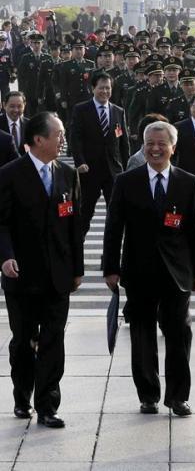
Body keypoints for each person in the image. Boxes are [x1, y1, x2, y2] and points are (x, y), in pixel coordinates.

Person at [103, 121, 195, 416]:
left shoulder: (188, 182)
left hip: (177, 271)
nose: (156, 149)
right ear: (143, 146)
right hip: (138, 269)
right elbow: (114, 227)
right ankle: (148, 394)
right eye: (150, 144)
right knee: (142, 334)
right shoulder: (126, 181)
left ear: (173, 147)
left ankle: (178, 396)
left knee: (179, 332)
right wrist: (110, 268)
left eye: (162, 144)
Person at [0, 112, 83, 428]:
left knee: (53, 339)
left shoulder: (68, 174)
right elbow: (1, 223)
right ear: (38, 139)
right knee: (23, 340)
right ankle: (22, 395)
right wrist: (5, 257)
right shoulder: (10, 174)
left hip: (58, 274)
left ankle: (48, 404)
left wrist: (77, 269)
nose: (63, 140)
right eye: (58, 134)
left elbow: (74, 225)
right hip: (21, 275)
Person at [70, 72, 130, 236]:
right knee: (85, 212)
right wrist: (80, 162)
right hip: (89, 170)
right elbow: (75, 139)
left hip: (113, 171)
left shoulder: (118, 111)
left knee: (116, 212)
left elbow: (123, 143)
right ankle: (78, 245)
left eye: (108, 88)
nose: (105, 91)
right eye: (101, 88)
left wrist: (126, 169)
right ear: (93, 89)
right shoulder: (81, 109)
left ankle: (113, 247)